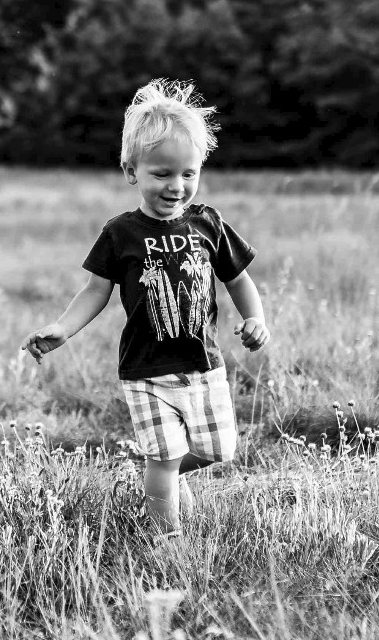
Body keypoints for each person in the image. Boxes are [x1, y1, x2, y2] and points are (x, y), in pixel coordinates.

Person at [23, 79, 268, 538]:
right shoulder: (121, 233)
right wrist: (62, 328)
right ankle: (165, 537)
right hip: (145, 369)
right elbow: (95, 291)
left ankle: (162, 478)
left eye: (189, 174)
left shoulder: (208, 224)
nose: (177, 186)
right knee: (164, 457)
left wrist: (255, 318)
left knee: (219, 450)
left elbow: (238, 279)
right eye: (162, 174)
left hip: (204, 365)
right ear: (131, 171)